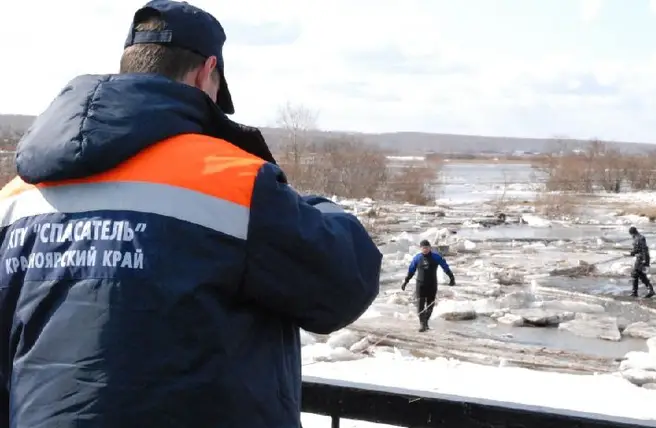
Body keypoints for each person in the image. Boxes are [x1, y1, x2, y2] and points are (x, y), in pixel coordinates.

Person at [0, 1, 382, 427]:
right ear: (207, 72)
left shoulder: (16, 196)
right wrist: (318, 207)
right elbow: (345, 283)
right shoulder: (233, 181)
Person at [402, 240, 455, 332]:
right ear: (420, 248)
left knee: (430, 305)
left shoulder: (436, 257)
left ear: (430, 248)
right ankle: (422, 324)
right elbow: (411, 270)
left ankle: (425, 321)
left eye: (427, 247)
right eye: (423, 248)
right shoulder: (417, 258)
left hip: (432, 284)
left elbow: (445, 266)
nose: (425, 249)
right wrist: (405, 282)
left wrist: (451, 277)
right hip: (420, 284)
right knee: (420, 305)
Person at [626, 226, 655, 298]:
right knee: (638, 274)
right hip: (640, 258)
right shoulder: (637, 238)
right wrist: (632, 253)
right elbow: (637, 249)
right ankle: (636, 292)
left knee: (637, 273)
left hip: (641, 259)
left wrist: (644, 260)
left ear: (632, 233)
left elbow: (644, 249)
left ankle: (638, 292)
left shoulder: (640, 238)